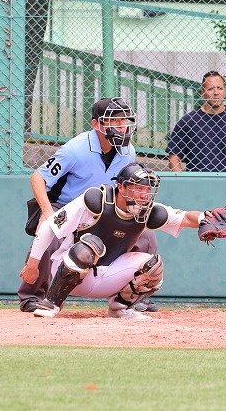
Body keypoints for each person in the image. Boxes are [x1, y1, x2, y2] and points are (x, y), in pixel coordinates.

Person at [18, 163, 226, 320]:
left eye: (147, 189)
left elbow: (184, 217)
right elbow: (49, 227)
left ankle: (120, 308)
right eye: (138, 187)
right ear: (121, 187)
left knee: (153, 265)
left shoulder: (149, 212)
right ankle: (52, 303)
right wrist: (32, 264)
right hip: (70, 270)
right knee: (90, 245)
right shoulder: (95, 200)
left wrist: (204, 218)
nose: (144, 194)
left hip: (107, 278)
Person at [17, 97, 159, 314]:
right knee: (49, 233)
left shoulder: (127, 151)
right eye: (114, 121)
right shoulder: (75, 149)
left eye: (124, 120)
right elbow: (38, 177)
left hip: (104, 209)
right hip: (65, 204)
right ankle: (32, 296)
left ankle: (131, 297)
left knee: (146, 237)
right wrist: (46, 211)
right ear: (96, 125)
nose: (122, 126)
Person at [166, 70, 226, 172]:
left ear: (225, 91)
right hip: (198, 181)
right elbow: (174, 157)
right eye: (210, 89)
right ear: (202, 93)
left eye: (220, 88)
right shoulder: (188, 121)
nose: (216, 93)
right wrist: (183, 180)